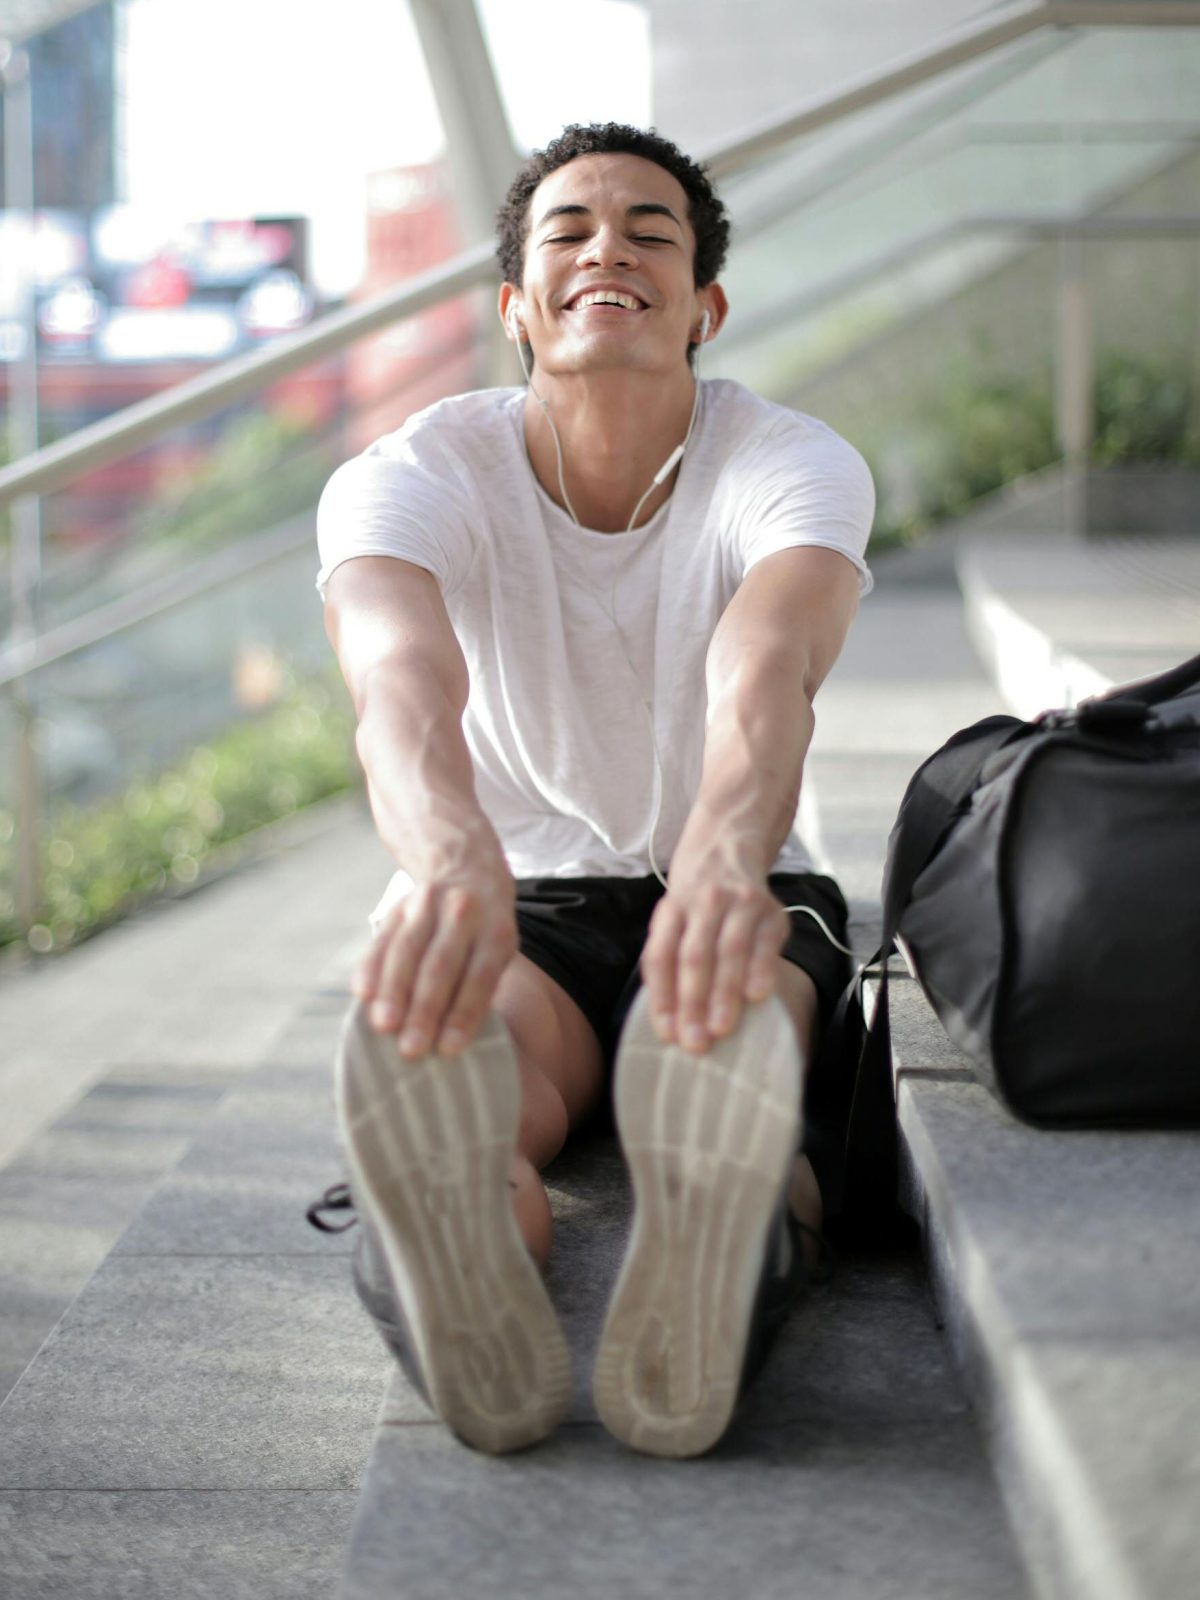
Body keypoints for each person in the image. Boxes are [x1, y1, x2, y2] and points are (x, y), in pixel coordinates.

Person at [306, 122, 876, 1460]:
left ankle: (729, 1234)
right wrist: (450, 861)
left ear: (704, 308)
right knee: (475, 1082)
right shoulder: (414, 476)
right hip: (522, 897)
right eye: (566, 231)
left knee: (735, 1050)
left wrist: (727, 857)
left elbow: (768, 673)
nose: (606, 247)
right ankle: (457, 1252)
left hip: (738, 888)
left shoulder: (790, 463)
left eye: (648, 232)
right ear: (516, 307)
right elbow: (399, 687)